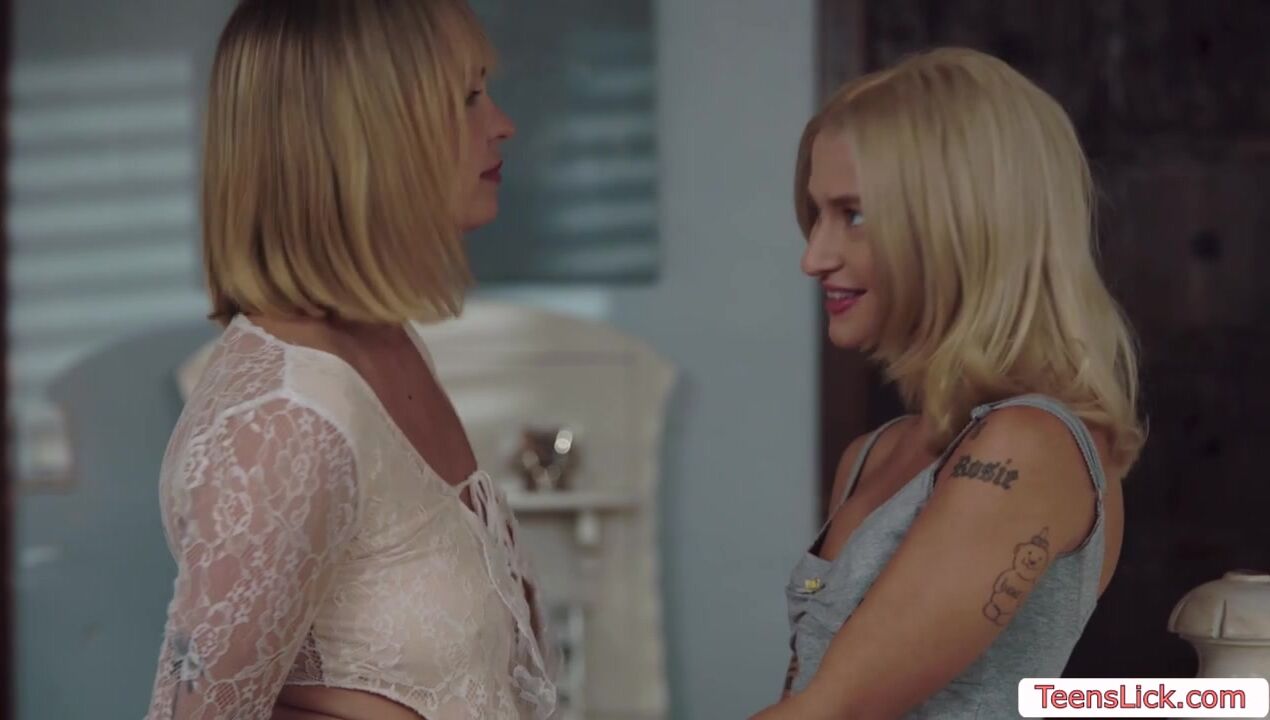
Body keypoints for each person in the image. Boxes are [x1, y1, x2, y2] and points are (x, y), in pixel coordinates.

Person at [143, 1, 557, 718]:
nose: (501, 123)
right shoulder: (285, 418)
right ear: (363, 136)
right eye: (466, 97)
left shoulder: (388, 346)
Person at [752, 47, 1144, 719]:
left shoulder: (1030, 446)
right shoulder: (872, 455)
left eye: (855, 216)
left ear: (963, 227)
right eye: (816, 215)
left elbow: (830, 712)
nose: (814, 256)